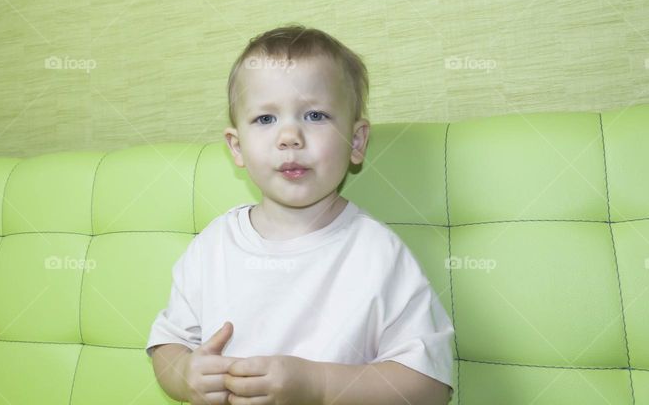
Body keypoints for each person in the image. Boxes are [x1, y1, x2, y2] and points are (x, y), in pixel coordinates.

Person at [146, 24, 454, 405]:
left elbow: (430, 386)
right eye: (265, 119)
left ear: (356, 141)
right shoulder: (213, 246)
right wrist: (184, 374)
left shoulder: (378, 253)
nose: (289, 136)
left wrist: (318, 384)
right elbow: (168, 343)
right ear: (237, 147)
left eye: (315, 115)